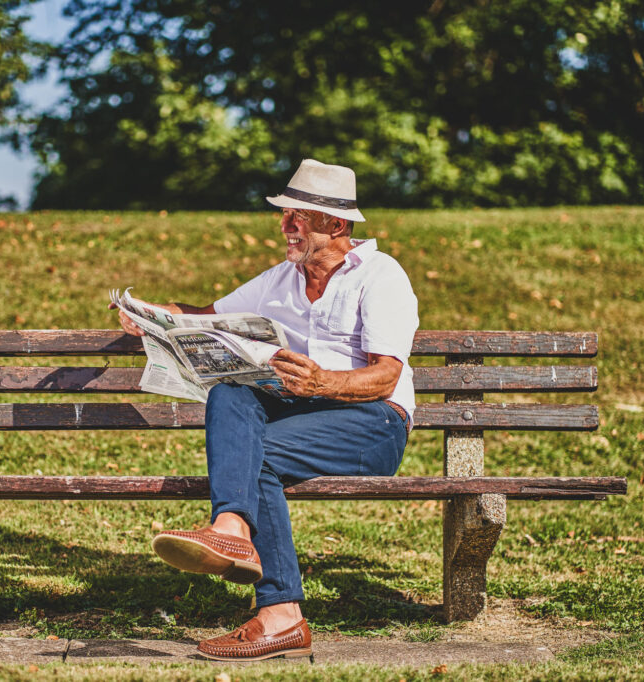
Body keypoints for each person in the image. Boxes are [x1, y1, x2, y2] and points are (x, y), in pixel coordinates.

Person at [115, 159, 419, 661]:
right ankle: (232, 531)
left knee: (261, 458)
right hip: (303, 415)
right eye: (284, 216)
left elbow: (386, 375)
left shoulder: (381, 277)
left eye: (298, 216)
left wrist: (324, 380)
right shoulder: (280, 279)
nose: (286, 226)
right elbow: (204, 317)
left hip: (375, 422)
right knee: (230, 392)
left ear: (336, 225)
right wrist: (147, 317)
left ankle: (281, 615)